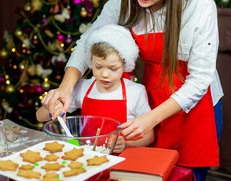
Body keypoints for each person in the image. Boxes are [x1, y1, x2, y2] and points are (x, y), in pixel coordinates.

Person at [42, 0, 223, 180]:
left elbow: (200, 78)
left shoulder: (198, 3)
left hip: (194, 106)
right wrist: (66, 87)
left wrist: (151, 119)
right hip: (148, 98)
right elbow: (89, 40)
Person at [37, 24, 154, 153]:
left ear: (125, 65)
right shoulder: (82, 87)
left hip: (122, 164)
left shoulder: (135, 92)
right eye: (98, 67)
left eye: (113, 69)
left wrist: (127, 144)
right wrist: (51, 107)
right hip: (88, 159)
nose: (104, 74)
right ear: (90, 61)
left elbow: (149, 136)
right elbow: (39, 117)